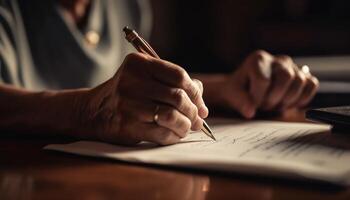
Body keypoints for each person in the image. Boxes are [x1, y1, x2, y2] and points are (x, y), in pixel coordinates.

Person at [0, 0, 318, 145]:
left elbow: (120, 87)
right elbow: (102, 97)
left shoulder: (129, 5)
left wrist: (226, 87)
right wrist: (89, 111)